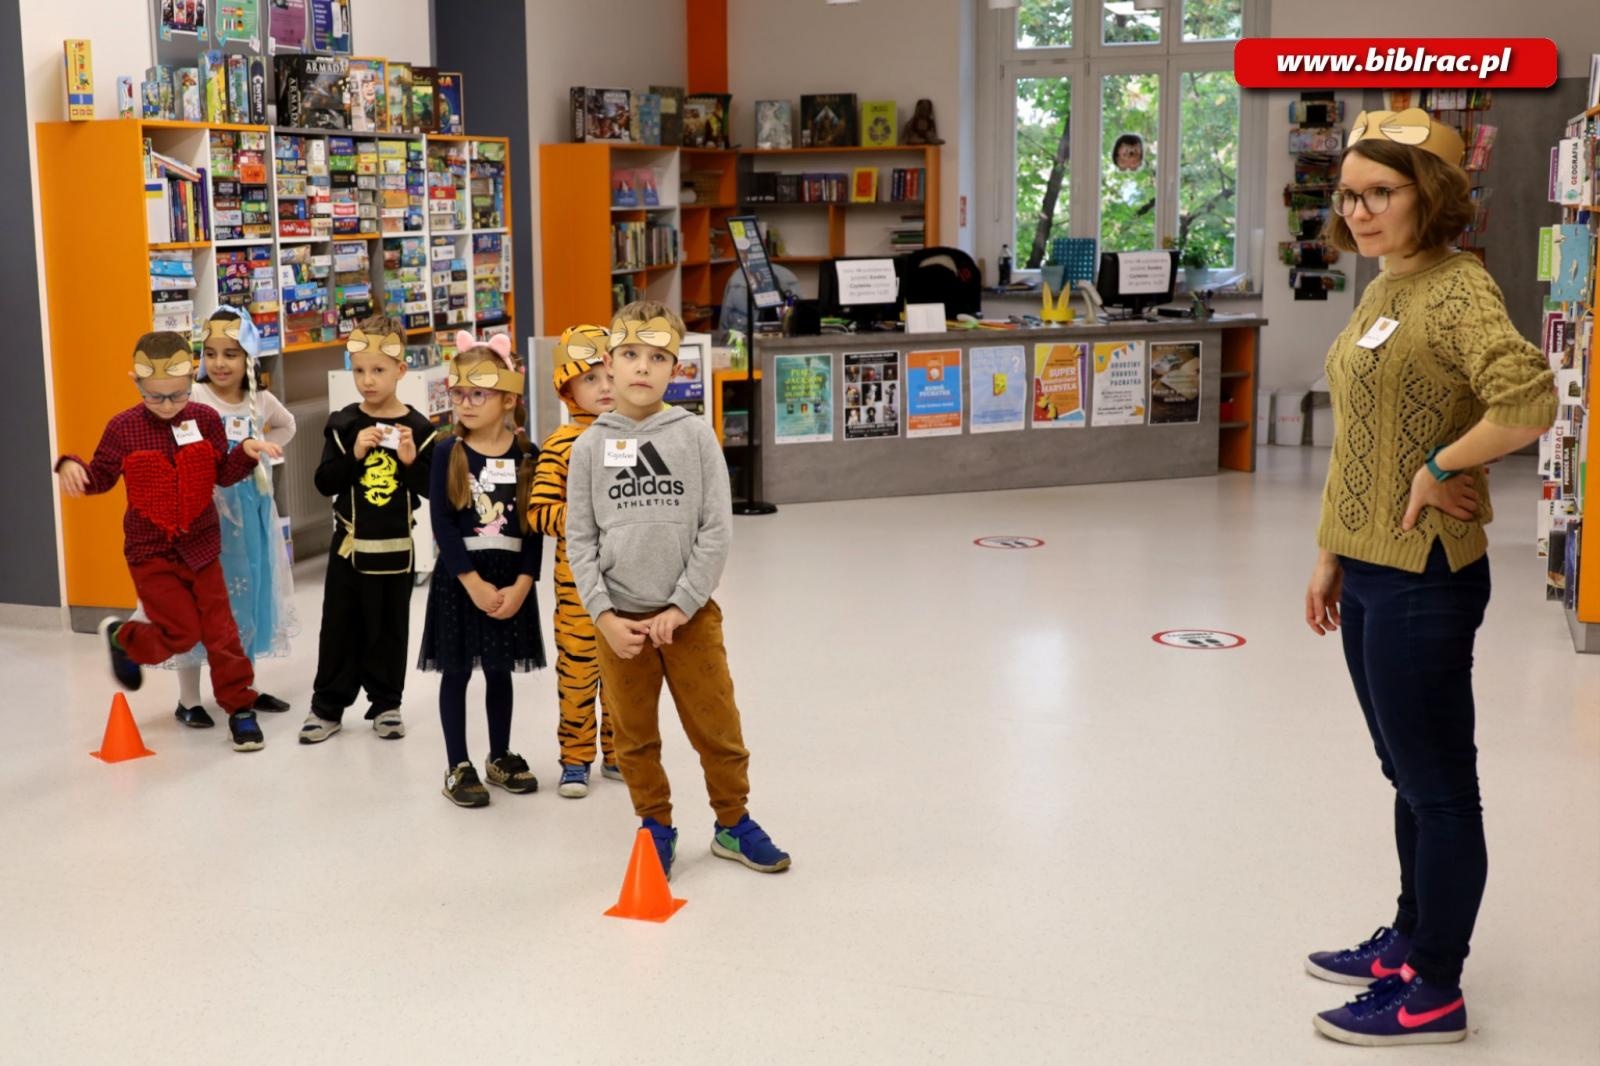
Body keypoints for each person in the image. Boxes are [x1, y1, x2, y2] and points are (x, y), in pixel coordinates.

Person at [1302, 109, 1558, 1048]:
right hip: (1369, 568)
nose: (1360, 212)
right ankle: (1408, 937)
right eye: (1349, 196)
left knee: (1441, 787)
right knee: (1402, 771)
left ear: (1432, 196)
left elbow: (1530, 396)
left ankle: (1435, 991)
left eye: (1382, 193)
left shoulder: (1456, 289)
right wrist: (1331, 547)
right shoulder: (1382, 289)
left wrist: (1445, 464)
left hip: (1427, 577)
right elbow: (1358, 435)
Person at [566, 301, 790, 879]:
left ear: (675, 368)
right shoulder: (590, 446)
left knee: (718, 727)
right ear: (609, 364)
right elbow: (579, 539)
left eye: (658, 357)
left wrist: (684, 602)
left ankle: (733, 824)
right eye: (631, 355)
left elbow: (716, 528)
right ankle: (656, 827)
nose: (643, 367)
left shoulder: (694, 435)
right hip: (620, 626)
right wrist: (605, 616)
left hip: (690, 619)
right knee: (634, 738)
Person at [55, 330, 283, 752]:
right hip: (151, 553)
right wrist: (70, 463)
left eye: (176, 396)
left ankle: (240, 709)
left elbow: (222, 474)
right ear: (136, 383)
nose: (166, 406)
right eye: (155, 397)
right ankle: (124, 638)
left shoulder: (206, 420)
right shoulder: (122, 428)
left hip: (201, 547)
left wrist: (247, 451)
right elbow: (100, 477)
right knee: (181, 633)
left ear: (190, 382)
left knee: (222, 632)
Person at [148, 308, 297, 729]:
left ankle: (240, 686)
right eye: (211, 353)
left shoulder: (260, 402)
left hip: (248, 511)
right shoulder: (194, 399)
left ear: (248, 357)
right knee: (198, 604)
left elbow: (287, 426)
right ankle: (189, 699)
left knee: (244, 601)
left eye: (230, 353)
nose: (219, 363)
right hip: (202, 515)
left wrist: (262, 447)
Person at [418, 332, 545, 807]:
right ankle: (458, 763)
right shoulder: (447, 451)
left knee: (499, 670)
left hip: (510, 578)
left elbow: (533, 529)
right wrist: (470, 581)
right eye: (458, 393)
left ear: (509, 397)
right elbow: (443, 525)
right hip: (461, 578)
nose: (465, 403)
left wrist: (522, 585)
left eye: (478, 393)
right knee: (456, 671)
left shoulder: (527, 455)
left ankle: (499, 755)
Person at [302, 316, 440, 744]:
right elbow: (325, 482)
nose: (367, 380)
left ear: (401, 371)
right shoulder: (343, 423)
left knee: (390, 626)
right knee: (340, 625)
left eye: (378, 370)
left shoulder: (419, 428)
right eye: (359, 370)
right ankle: (327, 706)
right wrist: (354, 456)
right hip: (348, 548)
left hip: (397, 549)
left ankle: (386, 704)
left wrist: (411, 460)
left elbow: (433, 490)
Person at [527, 324, 623, 798]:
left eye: (610, 374)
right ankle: (576, 757)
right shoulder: (560, 444)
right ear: (567, 389)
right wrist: (592, 515)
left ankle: (619, 753)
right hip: (578, 588)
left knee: (625, 675)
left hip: (632, 583)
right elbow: (541, 512)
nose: (604, 387)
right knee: (579, 673)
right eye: (590, 378)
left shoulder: (639, 435)